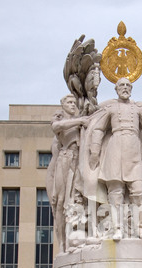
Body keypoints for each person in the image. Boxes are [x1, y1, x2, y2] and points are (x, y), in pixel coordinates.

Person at [88, 77, 142, 241]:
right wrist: (94, 150)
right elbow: (99, 129)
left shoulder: (138, 110)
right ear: (116, 89)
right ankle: (117, 229)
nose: (125, 88)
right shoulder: (110, 108)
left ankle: (140, 229)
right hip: (115, 148)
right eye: (122, 85)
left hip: (133, 150)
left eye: (128, 85)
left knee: (138, 191)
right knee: (115, 192)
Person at [47, 94, 88, 252]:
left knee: (77, 201)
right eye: (69, 102)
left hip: (79, 161)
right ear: (62, 104)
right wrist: (79, 121)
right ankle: (62, 242)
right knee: (61, 201)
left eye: (73, 102)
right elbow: (56, 127)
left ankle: (75, 236)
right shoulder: (60, 119)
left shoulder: (80, 118)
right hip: (65, 159)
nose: (72, 105)